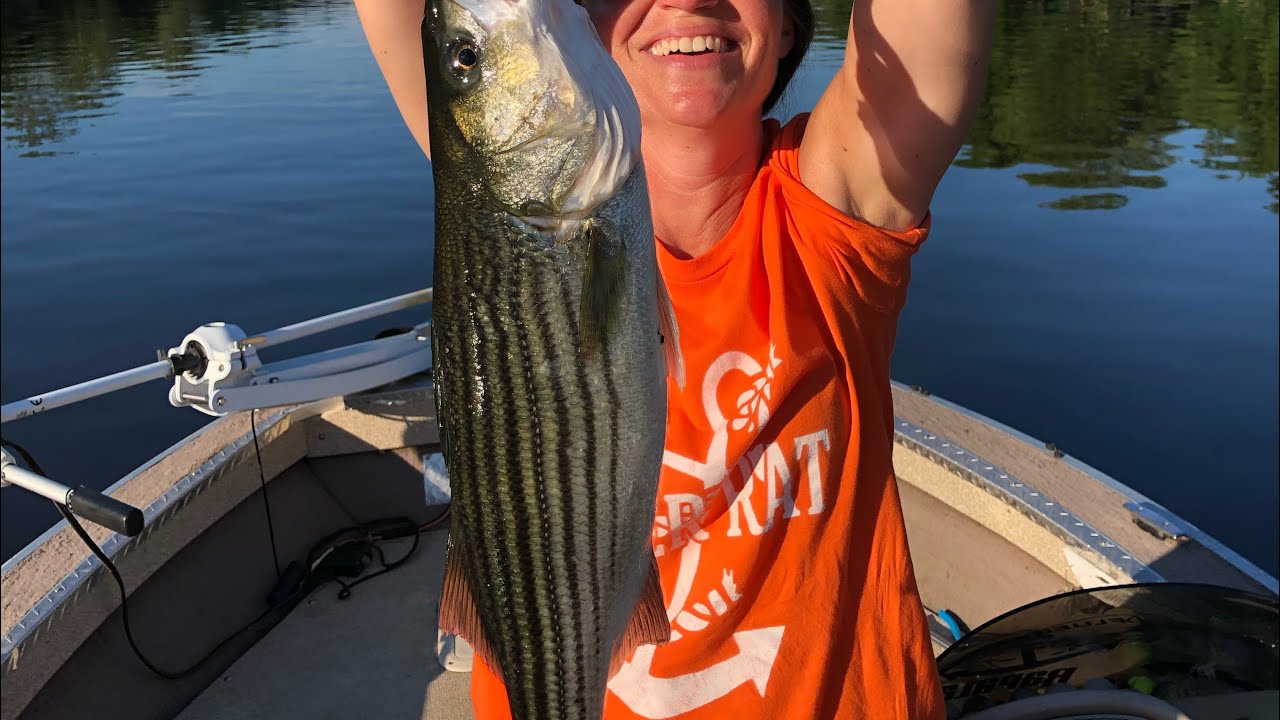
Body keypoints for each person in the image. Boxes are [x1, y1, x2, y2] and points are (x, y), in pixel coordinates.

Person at [354, 0, 995, 716]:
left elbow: (932, 38)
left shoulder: (836, 214)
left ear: (788, 25)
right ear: (580, 21)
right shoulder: (495, 180)